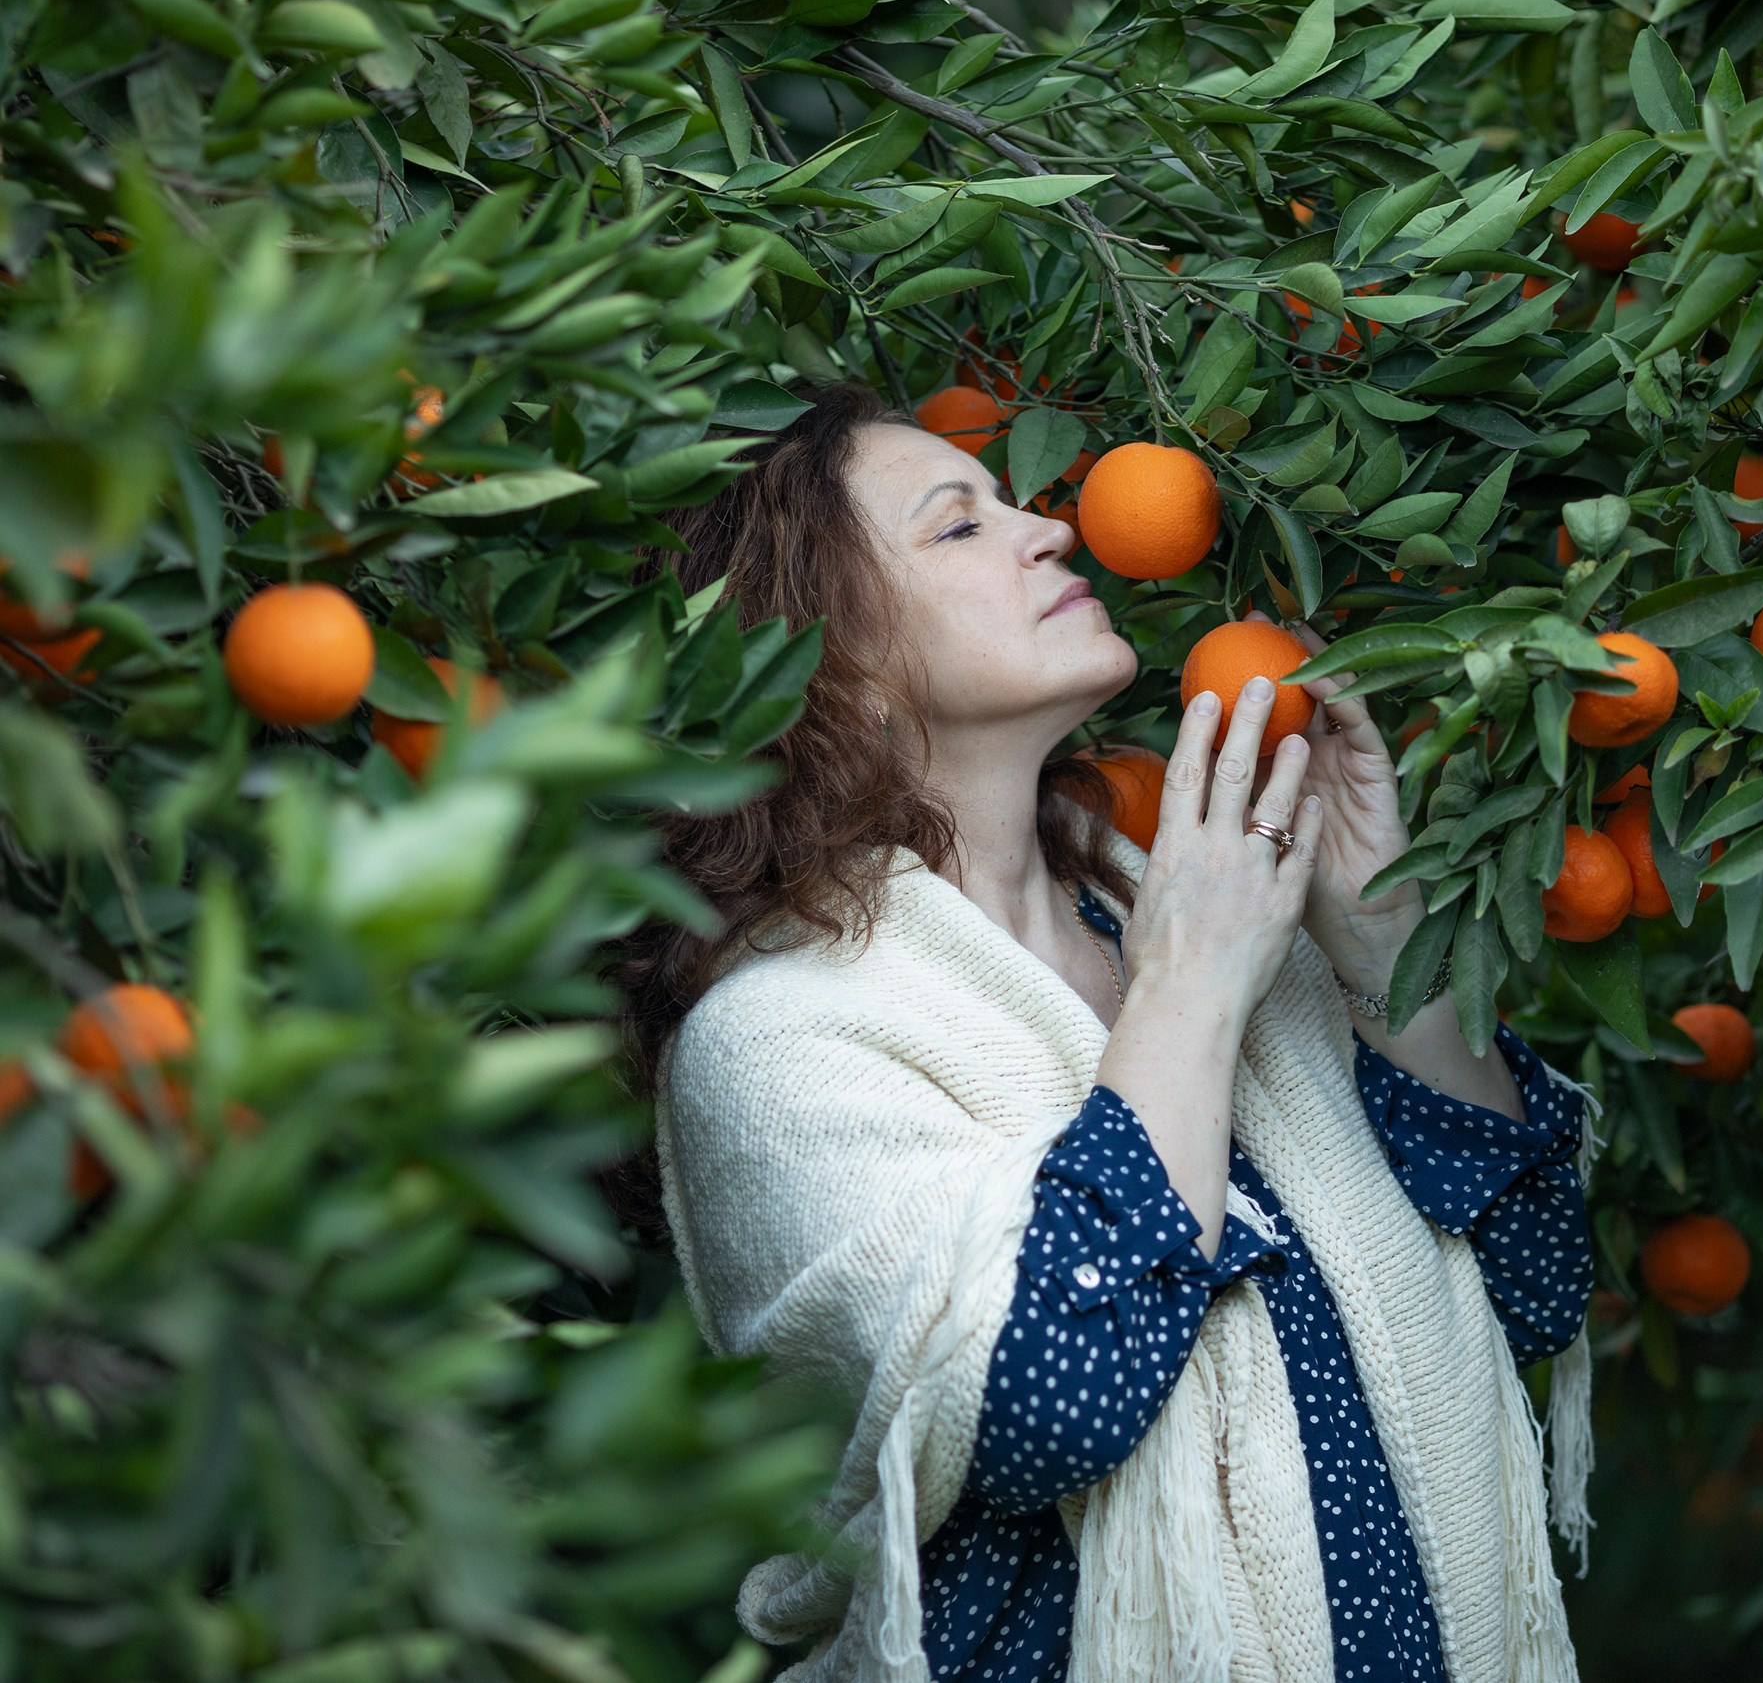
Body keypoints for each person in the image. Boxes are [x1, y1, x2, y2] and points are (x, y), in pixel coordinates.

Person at [618, 383, 1596, 1683]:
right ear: (824, 656)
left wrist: (1383, 952)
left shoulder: (1197, 915)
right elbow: (1039, 1395)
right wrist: (1186, 993)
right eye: (958, 526)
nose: (1048, 530)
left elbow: (1537, 1279)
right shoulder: (781, 1045)